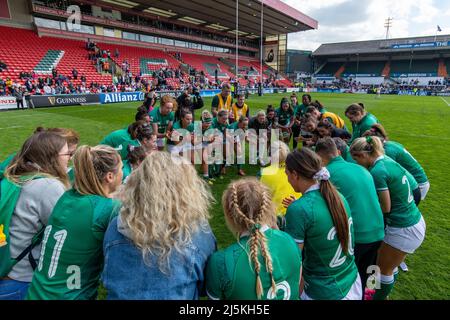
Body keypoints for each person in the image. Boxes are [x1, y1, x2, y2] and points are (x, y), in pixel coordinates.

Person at [102, 152, 216, 299]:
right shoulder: (198, 232)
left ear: (137, 185)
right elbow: (206, 285)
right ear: (185, 188)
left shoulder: (116, 226)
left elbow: (108, 272)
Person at [26, 145, 123, 300]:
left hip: (37, 293)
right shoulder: (107, 209)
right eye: (121, 169)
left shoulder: (67, 196)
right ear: (110, 176)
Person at [350, 136, 426, 300]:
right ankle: (375, 294)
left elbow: (386, 207)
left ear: (364, 155)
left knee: (380, 269)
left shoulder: (378, 171)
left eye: (356, 159)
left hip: (404, 228)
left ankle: (372, 297)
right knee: (386, 265)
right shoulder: (385, 160)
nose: (356, 163)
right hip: (410, 222)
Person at [0, 131, 70, 300]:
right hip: (22, 280)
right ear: (52, 157)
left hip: (7, 272)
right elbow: (65, 230)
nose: (69, 159)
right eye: (67, 154)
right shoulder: (48, 185)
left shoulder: (15, 177)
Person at [284, 148, 361, 300]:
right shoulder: (337, 196)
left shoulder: (299, 209)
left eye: (287, 174)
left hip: (323, 291)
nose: (287, 179)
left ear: (294, 174)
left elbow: (293, 261)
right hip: (351, 281)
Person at [205, 178, 301, 300]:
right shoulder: (288, 240)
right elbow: (297, 283)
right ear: (268, 208)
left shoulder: (221, 262)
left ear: (230, 214)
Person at [315, 137, 385, 298]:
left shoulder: (328, 175)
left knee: (352, 276)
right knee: (370, 271)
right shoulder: (360, 168)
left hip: (358, 235)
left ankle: (359, 294)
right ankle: (371, 295)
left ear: (320, 157)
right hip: (378, 231)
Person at [363, 124, 430, 202]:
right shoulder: (391, 144)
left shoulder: (387, 151)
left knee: (402, 208)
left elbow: (387, 172)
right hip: (419, 179)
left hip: (418, 183)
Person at [259, 141, 302, 217]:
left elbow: (262, 197)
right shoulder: (297, 169)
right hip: (298, 208)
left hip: (277, 215)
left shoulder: (266, 172)